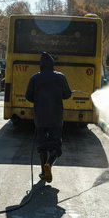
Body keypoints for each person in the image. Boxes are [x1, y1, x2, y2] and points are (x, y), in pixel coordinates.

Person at [25, 52, 72, 183]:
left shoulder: (35, 78)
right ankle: (49, 164)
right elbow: (67, 94)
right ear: (52, 65)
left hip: (40, 118)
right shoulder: (60, 77)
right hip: (56, 118)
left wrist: (38, 98)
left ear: (41, 65)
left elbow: (28, 96)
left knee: (42, 145)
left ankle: (43, 171)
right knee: (55, 145)